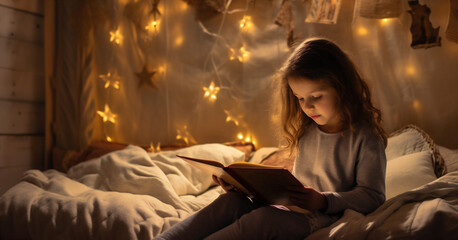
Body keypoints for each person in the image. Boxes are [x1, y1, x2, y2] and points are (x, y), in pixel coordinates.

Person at [155, 38, 388, 240]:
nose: (307, 106)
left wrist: (324, 201)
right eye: (299, 98)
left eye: (316, 96)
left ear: (342, 87)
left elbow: (373, 196)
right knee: (230, 203)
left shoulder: (366, 138)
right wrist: (242, 187)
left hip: (322, 217)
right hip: (290, 209)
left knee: (263, 220)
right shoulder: (307, 131)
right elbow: (296, 186)